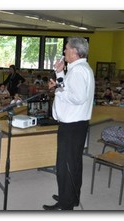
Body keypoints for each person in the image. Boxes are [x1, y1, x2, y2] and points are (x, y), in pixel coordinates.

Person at [43, 37, 95, 210]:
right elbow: (69, 88)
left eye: (66, 49)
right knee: (73, 163)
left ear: (74, 51)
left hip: (72, 125)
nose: (64, 51)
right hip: (76, 124)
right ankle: (71, 197)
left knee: (65, 165)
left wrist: (57, 90)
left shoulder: (79, 71)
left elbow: (77, 97)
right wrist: (59, 73)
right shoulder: (79, 69)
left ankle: (65, 204)